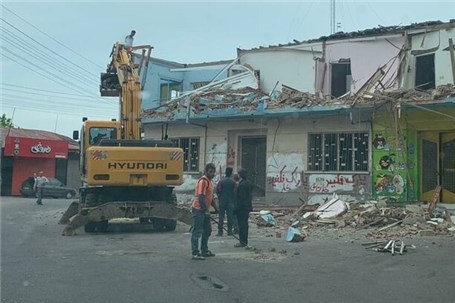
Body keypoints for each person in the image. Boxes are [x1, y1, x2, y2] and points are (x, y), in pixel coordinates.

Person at [191, 163, 218, 260]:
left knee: (208, 230)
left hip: (204, 210)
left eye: (214, 172)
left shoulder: (210, 182)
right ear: (206, 172)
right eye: (210, 172)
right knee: (197, 231)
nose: (212, 174)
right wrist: (205, 210)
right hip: (198, 209)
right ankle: (195, 252)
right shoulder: (203, 181)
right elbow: (201, 197)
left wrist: (215, 208)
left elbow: (210, 197)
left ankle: (204, 250)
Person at [234, 168, 253, 248]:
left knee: (242, 225)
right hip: (247, 207)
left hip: (242, 208)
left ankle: (242, 241)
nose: (236, 175)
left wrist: (236, 209)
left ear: (240, 175)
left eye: (237, 173)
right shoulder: (248, 183)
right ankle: (244, 241)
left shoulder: (242, 185)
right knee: (244, 224)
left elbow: (241, 198)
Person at [216, 167, 236, 236]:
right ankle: (229, 231)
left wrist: (219, 197)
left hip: (222, 201)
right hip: (230, 201)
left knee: (221, 217)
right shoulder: (233, 182)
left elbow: (218, 190)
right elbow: (235, 192)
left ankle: (220, 232)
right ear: (231, 173)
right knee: (230, 217)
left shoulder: (221, 181)